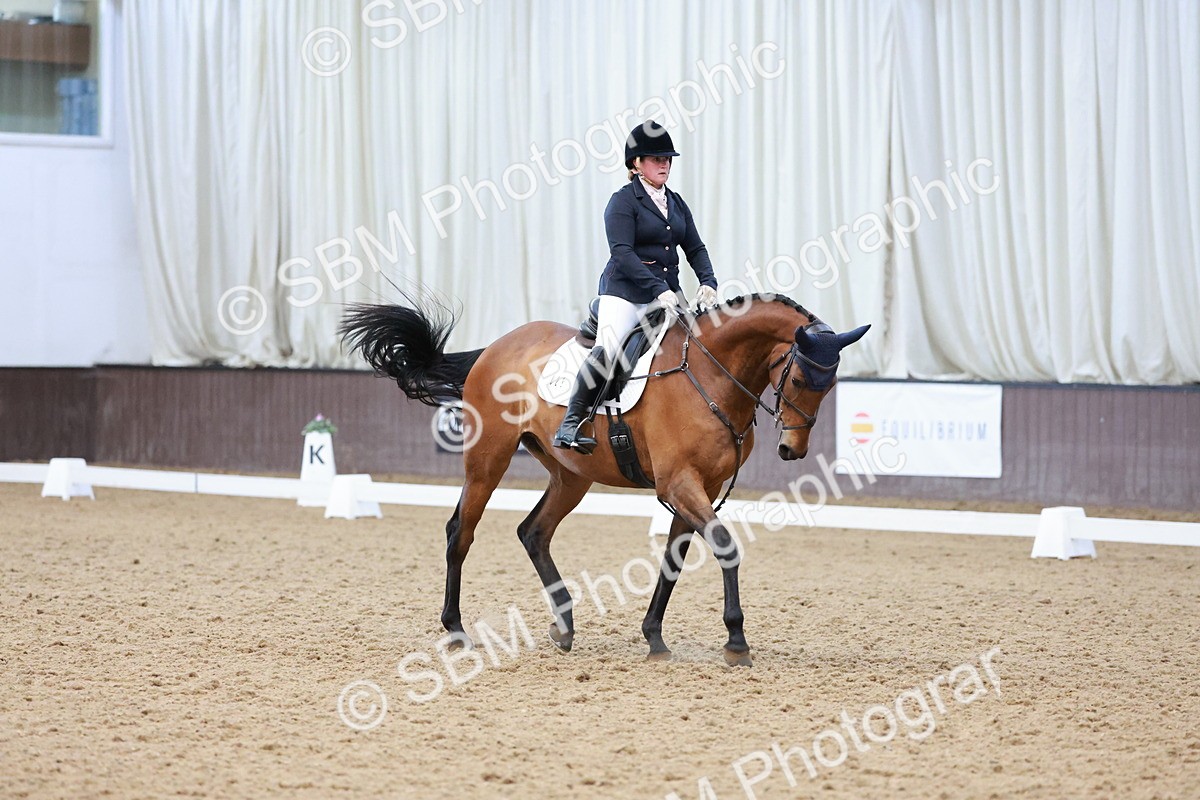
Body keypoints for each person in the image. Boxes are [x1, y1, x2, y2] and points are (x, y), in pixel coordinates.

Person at [553, 120, 719, 454]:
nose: (664, 164)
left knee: (698, 343)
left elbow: (695, 248)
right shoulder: (623, 202)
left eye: (667, 159)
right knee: (610, 347)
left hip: (667, 295)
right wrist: (657, 288)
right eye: (656, 159)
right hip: (625, 293)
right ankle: (570, 423)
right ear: (636, 164)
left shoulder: (676, 202)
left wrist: (708, 282)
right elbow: (622, 253)